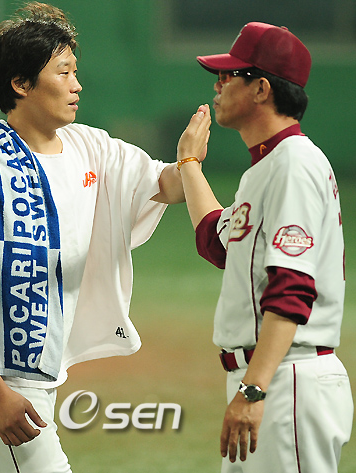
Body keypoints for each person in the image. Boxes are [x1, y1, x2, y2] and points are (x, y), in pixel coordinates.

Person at [0, 3, 210, 473]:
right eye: (63, 72)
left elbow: (167, 186)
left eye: (75, 71)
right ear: (21, 84)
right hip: (2, 380)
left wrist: (189, 160)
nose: (77, 84)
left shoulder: (89, 147)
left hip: (30, 375)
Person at [176, 22, 353, 473]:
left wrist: (253, 389)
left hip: (286, 380)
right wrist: (189, 165)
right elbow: (219, 244)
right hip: (271, 377)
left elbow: (292, 288)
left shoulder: (294, 165)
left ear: (261, 89)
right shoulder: (266, 168)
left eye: (229, 75)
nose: (217, 85)